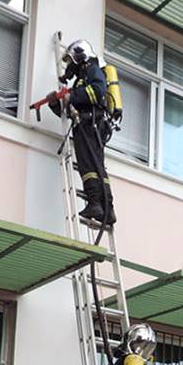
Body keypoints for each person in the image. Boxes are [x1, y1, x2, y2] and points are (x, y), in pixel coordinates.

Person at [47, 39, 116, 226]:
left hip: (91, 124)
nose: (70, 66)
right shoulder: (81, 80)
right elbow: (69, 112)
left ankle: (96, 204)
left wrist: (72, 95)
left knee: (88, 166)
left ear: (80, 57)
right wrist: (54, 103)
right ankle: (107, 209)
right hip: (87, 124)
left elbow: (98, 91)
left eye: (71, 61)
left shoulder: (92, 70)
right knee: (96, 166)